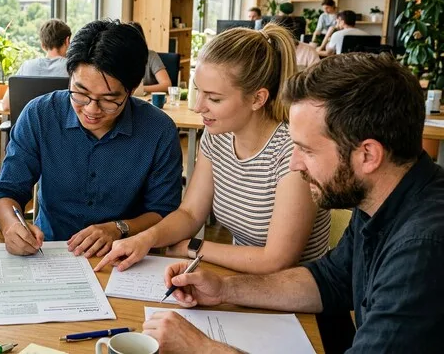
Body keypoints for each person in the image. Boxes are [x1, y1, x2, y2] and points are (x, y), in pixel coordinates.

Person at [143, 53, 444, 353]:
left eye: (306, 150)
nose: (295, 164)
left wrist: (202, 349)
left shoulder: (422, 247)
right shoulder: (381, 198)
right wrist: (224, 288)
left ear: (367, 155)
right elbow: (330, 281)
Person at [96, 23, 330, 275]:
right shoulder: (217, 136)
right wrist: (146, 239)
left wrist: (192, 247)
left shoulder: (292, 152)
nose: (198, 107)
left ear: (257, 99)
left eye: (214, 98)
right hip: (243, 279)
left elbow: (275, 260)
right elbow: (190, 213)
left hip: (295, 293)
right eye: (199, 92)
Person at [0, 19, 183, 258]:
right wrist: (11, 226)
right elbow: (7, 190)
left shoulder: (158, 130)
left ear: (132, 90)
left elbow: (164, 211)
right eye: (80, 94)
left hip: (124, 255)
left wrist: (118, 228)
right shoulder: (40, 115)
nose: (92, 109)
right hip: (49, 252)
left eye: (109, 99)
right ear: (69, 76)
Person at [2, 19, 71, 111]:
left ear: (42, 45)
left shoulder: (26, 66)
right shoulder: (74, 69)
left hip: (29, 124)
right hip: (63, 124)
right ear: (67, 41)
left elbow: (6, 105)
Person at [130, 22, 172, 94]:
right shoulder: (119, 57)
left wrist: (140, 89)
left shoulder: (151, 56)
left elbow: (167, 85)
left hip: (147, 100)